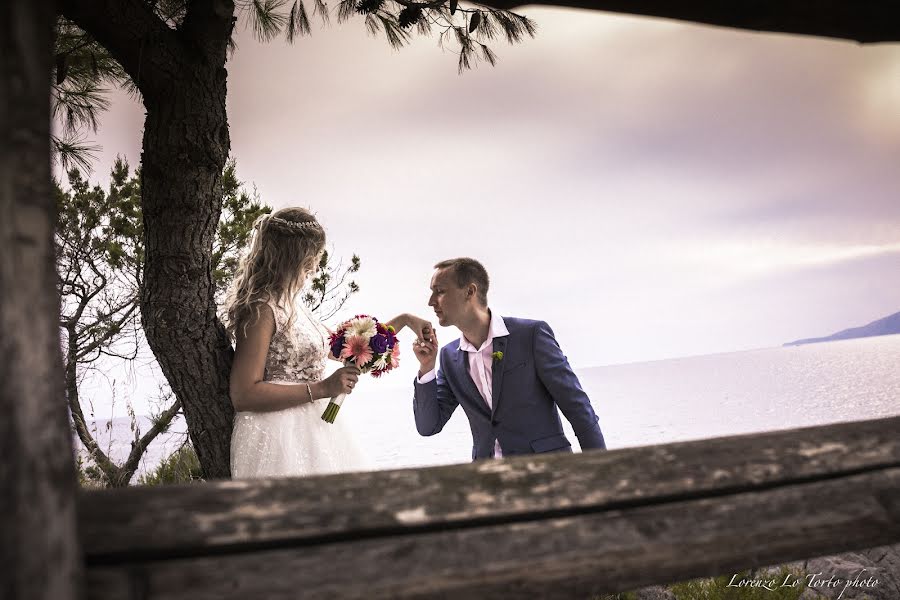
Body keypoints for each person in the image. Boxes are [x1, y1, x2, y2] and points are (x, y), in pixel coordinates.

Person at [224, 207, 431, 478]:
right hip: (277, 435)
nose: (316, 266)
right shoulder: (262, 309)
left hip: (316, 430)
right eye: (314, 256)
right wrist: (323, 387)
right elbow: (243, 394)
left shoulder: (294, 306)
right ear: (297, 256)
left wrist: (404, 321)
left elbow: (354, 344)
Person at [412, 257, 606, 460]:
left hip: (547, 471)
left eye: (440, 291)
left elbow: (578, 408)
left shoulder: (531, 335)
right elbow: (428, 426)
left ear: (470, 291)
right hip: (488, 480)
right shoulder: (449, 357)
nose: (431, 301)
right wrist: (427, 367)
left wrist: (600, 470)